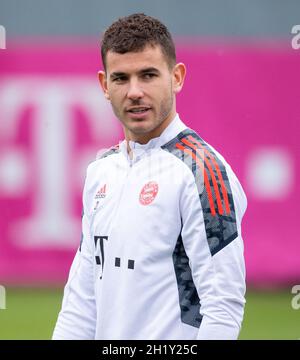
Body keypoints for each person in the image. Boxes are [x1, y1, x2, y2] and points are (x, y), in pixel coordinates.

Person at [52, 13, 247, 340]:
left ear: (177, 77)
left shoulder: (201, 172)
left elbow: (223, 305)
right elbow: (82, 300)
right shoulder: (102, 170)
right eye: (121, 78)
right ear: (104, 85)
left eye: (148, 75)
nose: (134, 92)